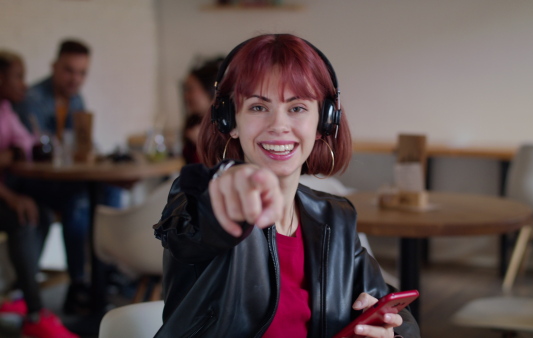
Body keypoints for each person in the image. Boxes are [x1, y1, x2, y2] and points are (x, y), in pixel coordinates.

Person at [153, 34, 421, 337]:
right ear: (230, 122)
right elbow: (198, 223)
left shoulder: (335, 217)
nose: (278, 125)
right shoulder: (201, 201)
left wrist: (390, 332)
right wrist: (227, 185)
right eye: (257, 107)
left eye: (297, 108)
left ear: (324, 124)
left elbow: (396, 312)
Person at [12, 39, 120, 314]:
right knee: (80, 201)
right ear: (54, 67)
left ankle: (106, 272)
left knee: (112, 192)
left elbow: (81, 145)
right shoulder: (32, 99)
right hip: (36, 184)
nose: (76, 79)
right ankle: (79, 283)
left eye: (82, 72)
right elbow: (37, 152)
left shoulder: (77, 99)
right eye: (69, 70)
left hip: (65, 181)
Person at [0, 49, 79, 338]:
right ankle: (34, 313)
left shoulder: (6, 110)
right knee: (21, 217)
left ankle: (22, 294)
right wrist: (10, 196)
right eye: (18, 77)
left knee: (42, 214)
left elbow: (27, 142)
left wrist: (14, 153)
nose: (24, 84)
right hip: (3, 193)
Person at [181, 57, 223, 164]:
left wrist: (200, 143)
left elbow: (222, 168)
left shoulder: (224, 126)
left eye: (190, 89)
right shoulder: (193, 122)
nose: (186, 96)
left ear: (209, 90)